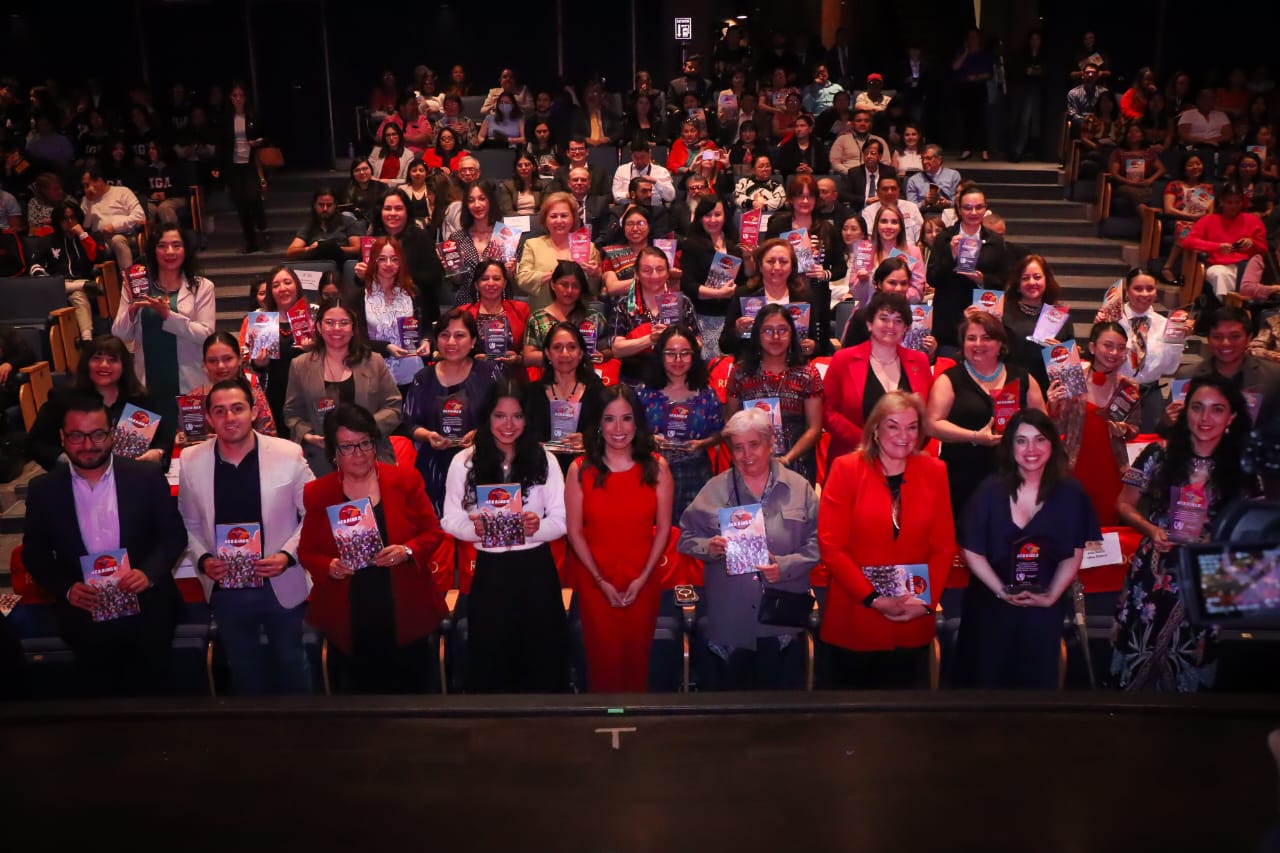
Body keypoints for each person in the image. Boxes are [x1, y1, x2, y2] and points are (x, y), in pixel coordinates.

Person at [21, 393, 187, 697]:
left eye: (97, 434)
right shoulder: (43, 489)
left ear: (112, 434)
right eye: (77, 436)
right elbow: (34, 553)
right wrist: (67, 589)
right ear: (62, 437)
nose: (88, 445)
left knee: (156, 704)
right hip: (84, 619)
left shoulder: (146, 476)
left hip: (149, 613)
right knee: (100, 708)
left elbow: (174, 534)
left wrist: (148, 573)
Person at [1111, 375, 1256, 692]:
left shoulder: (1243, 467)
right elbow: (1123, 504)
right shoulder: (1159, 454)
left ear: (1231, 417)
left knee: (1193, 661)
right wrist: (1151, 529)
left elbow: (1253, 528)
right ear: (1184, 410)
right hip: (1155, 570)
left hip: (1210, 574)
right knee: (1139, 655)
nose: (1205, 418)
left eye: (1217, 409)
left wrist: (1217, 541)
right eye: (1197, 407)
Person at [296, 403, 447, 693]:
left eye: (364, 443)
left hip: (404, 606)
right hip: (349, 612)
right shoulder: (319, 492)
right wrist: (329, 566)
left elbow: (432, 532)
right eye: (347, 447)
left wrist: (407, 550)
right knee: (359, 699)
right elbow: (308, 551)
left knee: (412, 695)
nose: (359, 453)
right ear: (334, 452)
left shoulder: (405, 480)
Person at [177, 378, 312, 695]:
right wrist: (204, 559)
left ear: (253, 412)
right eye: (220, 411)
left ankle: (304, 725)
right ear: (209, 418)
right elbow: (188, 521)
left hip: (280, 584)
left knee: (292, 666)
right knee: (244, 672)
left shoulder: (288, 453)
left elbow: (312, 513)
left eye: (237, 408)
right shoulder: (191, 460)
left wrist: (287, 555)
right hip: (226, 588)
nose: (229, 417)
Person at [818, 391, 956, 688]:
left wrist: (925, 604)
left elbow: (944, 547)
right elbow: (832, 547)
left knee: (904, 714)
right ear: (875, 430)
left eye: (912, 427)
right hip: (855, 617)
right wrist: (874, 599)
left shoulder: (935, 471)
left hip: (912, 618)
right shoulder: (846, 469)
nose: (903, 436)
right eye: (893, 426)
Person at [440, 378, 570, 692]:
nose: (508, 425)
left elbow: (563, 519)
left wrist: (538, 527)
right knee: (491, 660)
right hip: (490, 572)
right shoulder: (464, 461)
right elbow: (450, 519)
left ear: (528, 418)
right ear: (487, 416)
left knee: (542, 658)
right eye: (500, 416)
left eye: (517, 416)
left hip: (536, 570)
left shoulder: (545, 459)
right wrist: (474, 529)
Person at [953, 410, 1099, 688]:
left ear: (1052, 443)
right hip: (992, 606)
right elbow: (971, 550)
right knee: (986, 686)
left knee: (1036, 687)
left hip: (1042, 608)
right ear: (1010, 446)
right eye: (1021, 441)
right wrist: (1001, 591)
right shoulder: (989, 490)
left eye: (1039, 439)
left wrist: (1051, 596)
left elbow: (1074, 553)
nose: (1031, 449)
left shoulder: (1071, 493)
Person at [677, 407, 819, 690]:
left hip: (782, 623)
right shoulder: (714, 489)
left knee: (780, 707)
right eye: (738, 448)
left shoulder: (799, 488)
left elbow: (818, 543)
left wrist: (785, 567)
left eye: (754, 444)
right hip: (730, 622)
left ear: (771, 443)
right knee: (730, 710)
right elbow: (686, 538)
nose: (746, 455)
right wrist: (710, 548)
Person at [565, 385, 674, 693]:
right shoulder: (579, 469)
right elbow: (574, 532)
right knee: (603, 663)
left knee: (637, 661)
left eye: (626, 418)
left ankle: (635, 719)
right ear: (598, 424)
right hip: (595, 581)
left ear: (637, 422)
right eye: (609, 419)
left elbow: (664, 529)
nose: (618, 429)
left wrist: (643, 578)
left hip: (643, 579)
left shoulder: (657, 467)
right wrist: (600, 581)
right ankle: (604, 718)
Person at [926, 311, 1046, 525]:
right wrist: (974, 436)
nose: (978, 344)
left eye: (986, 338)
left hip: (1015, 476)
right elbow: (932, 424)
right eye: (971, 338)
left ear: (1000, 344)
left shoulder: (1023, 377)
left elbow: (1042, 423)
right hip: (964, 477)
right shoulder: (950, 379)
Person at [111, 225, 215, 427]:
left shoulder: (202, 286)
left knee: (190, 442)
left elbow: (206, 335)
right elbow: (120, 335)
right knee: (138, 443)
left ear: (186, 249)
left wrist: (168, 315)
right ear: (153, 250)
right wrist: (132, 308)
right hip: (145, 383)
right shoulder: (136, 285)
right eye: (162, 246)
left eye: (176, 245)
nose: (170, 252)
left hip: (190, 384)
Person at [284, 302, 402, 476]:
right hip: (321, 458)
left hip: (371, 453)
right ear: (319, 326)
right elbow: (292, 413)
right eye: (330, 322)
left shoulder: (374, 361)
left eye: (344, 323)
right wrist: (307, 435)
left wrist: (364, 430)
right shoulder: (300, 365)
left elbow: (394, 407)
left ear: (353, 328)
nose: (337, 328)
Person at [402, 308, 501, 515]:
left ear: (473, 341)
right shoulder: (423, 377)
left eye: (459, 335)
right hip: (434, 467)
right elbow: (411, 423)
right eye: (444, 335)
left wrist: (480, 434)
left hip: (480, 463)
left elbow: (505, 416)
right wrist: (428, 436)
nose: (451, 342)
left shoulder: (489, 374)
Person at [26, 335, 171, 470]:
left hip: (131, 476)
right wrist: (67, 461)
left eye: (112, 360)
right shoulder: (64, 398)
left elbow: (163, 439)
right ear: (86, 364)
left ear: (124, 366)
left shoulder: (140, 399)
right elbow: (35, 443)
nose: (104, 365)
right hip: (76, 478)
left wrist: (158, 452)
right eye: (97, 359)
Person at [1047, 322, 1140, 526]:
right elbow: (1056, 428)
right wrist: (1053, 406)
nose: (1114, 353)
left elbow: (1134, 429)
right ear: (1092, 347)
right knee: (1070, 525)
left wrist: (1124, 430)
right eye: (1108, 345)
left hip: (1111, 469)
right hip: (1073, 466)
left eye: (1121, 347)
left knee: (1106, 527)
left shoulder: (1129, 387)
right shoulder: (1072, 377)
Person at [824, 291, 933, 463]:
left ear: (906, 328)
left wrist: (906, 444)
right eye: (884, 318)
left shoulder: (920, 361)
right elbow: (827, 412)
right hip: (853, 458)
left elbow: (927, 415)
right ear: (870, 323)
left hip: (905, 460)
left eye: (898, 321)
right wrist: (869, 442)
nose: (891, 325)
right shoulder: (843, 359)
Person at [725, 304, 825, 484]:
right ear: (757, 335)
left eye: (782, 330)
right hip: (749, 465)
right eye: (768, 331)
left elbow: (814, 429)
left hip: (796, 465)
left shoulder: (808, 374)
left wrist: (786, 459)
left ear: (792, 334)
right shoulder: (740, 373)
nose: (776, 337)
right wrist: (748, 456)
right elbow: (729, 423)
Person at [637, 326, 723, 518]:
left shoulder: (706, 394)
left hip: (696, 476)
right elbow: (630, 432)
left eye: (685, 353)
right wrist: (648, 439)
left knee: (693, 531)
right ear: (660, 355)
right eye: (670, 353)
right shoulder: (644, 393)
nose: (678, 360)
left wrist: (702, 444)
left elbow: (719, 432)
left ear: (694, 356)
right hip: (653, 474)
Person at [1094, 269, 1190, 432]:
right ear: (1127, 291)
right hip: (1114, 392)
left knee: (1149, 441)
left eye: (1150, 288)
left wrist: (1178, 340)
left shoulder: (1165, 324)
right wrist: (1099, 329)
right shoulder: (1111, 318)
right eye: (1138, 288)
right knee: (1111, 438)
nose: (1145, 294)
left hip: (1150, 394)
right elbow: (1098, 361)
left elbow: (1170, 369)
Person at [926, 185, 1011, 355]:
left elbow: (1004, 280)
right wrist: (951, 255)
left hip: (983, 318)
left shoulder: (994, 241)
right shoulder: (944, 238)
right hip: (949, 321)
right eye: (968, 208)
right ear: (959, 208)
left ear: (985, 209)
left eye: (979, 207)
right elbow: (932, 278)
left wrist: (983, 280)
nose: (973, 212)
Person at [719, 237, 830, 360]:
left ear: (792, 267)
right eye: (770, 261)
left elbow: (820, 346)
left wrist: (812, 347)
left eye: (783, 262)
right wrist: (737, 332)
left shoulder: (804, 297)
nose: (777, 267)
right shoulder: (744, 294)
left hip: (792, 365)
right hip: (752, 366)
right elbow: (724, 345)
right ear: (760, 266)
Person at [1173, 306, 1280, 428]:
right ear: (1208, 339)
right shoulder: (1187, 376)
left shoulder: (1273, 377)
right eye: (1217, 337)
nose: (1226, 343)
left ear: (1249, 338)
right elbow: (1174, 429)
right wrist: (1168, 422)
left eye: (1235, 337)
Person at [526, 321, 606, 475]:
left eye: (572, 347)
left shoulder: (596, 389)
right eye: (557, 347)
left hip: (586, 470)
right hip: (542, 471)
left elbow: (608, 431)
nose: (565, 354)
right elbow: (523, 436)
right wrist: (536, 446)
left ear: (581, 353)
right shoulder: (533, 392)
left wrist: (588, 440)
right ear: (547, 353)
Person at [359, 188, 445, 323]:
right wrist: (360, 275)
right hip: (379, 311)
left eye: (398, 208)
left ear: (407, 211)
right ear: (380, 211)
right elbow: (365, 280)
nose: (392, 213)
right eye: (387, 208)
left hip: (417, 309)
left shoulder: (420, 237)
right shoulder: (372, 239)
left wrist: (399, 276)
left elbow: (434, 276)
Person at [244, 265, 310, 433]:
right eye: (276, 285)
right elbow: (251, 368)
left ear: (297, 285)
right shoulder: (262, 318)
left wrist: (315, 349)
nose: (282, 288)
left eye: (287, 282)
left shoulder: (313, 314)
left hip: (308, 392)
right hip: (274, 393)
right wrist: (259, 363)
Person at [356, 236, 427, 393]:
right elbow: (356, 339)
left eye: (394, 259)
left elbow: (426, 328)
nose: (389, 264)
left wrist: (427, 341)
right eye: (382, 259)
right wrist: (386, 347)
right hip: (374, 371)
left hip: (411, 369)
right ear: (373, 261)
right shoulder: (360, 296)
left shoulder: (413, 292)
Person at [27, 200, 102, 345]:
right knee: (76, 290)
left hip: (80, 280)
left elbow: (98, 258)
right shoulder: (47, 241)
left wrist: (83, 235)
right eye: (65, 219)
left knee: (78, 295)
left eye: (73, 217)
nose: (69, 222)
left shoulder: (86, 238)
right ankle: (87, 337)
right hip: (56, 283)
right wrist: (45, 279)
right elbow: (34, 265)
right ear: (58, 221)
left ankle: (87, 340)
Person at [679, 196, 747, 358]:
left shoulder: (734, 245)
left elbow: (745, 279)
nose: (713, 220)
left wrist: (749, 258)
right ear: (700, 217)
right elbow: (687, 285)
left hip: (731, 316)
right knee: (709, 362)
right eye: (707, 215)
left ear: (725, 216)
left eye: (717, 214)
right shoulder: (691, 245)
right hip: (703, 316)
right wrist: (718, 293)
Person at [517, 192, 603, 311]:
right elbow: (522, 279)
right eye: (553, 216)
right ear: (545, 220)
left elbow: (594, 290)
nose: (559, 221)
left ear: (573, 218)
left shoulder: (587, 247)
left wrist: (595, 275)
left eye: (564, 216)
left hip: (578, 315)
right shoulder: (532, 245)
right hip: (542, 313)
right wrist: (554, 276)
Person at [183, 332, 277, 439]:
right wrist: (182, 438)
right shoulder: (194, 399)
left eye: (227, 359)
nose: (220, 366)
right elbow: (188, 436)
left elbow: (269, 438)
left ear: (240, 359)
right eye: (212, 361)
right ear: (204, 364)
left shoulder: (254, 396)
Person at [1181, 183, 1267, 296]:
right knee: (1218, 274)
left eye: (1237, 202)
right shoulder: (1208, 220)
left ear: (1242, 202)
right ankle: (1228, 303)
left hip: (1246, 268)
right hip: (1218, 266)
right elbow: (1188, 242)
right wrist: (1217, 247)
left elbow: (1264, 249)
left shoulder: (1254, 221)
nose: (1233, 206)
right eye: (1229, 202)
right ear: (1222, 201)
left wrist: (1252, 243)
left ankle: (1233, 302)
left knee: (1236, 278)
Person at [522, 260, 613, 368]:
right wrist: (561, 356)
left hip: (586, 374)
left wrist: (602, 355)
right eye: (564, 285)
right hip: (549, 376)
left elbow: (608, 351)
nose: (569, 290)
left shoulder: (593, 317)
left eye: (575, 286)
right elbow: (528, 358)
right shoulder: (538, 318)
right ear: (553, 285)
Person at [213, 83, 269, 254]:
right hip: (233, 165)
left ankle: (262, 227)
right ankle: (251, 242)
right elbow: (220, 145)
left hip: (251, 163)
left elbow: (267, 136)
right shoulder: (225, 119)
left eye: (241, 95)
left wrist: (259, 141)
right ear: (230, 98)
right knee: (241, 204)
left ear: (245, 97)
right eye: (234, 95)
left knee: (254, 197)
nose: (238, 99)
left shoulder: (253, 116)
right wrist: (217, 166)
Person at [464, 259, 531, 374]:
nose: (491, 283)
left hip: (513, 376)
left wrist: (518, 359)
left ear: (504, 283)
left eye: (496, 278)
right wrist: (471, 359)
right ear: (476, 285)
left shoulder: (521, 309)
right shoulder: (464, 312)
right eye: (484, 279)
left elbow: (530, 350)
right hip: (472, 375)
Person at [1157, 153, 1215, 283]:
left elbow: (1210, 213)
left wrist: (1201, 220)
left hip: (1200, 222)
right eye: (1190, 165)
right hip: (1177, 219)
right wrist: (1191, 216)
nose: (1195, 167)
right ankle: (1169, 268)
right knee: (1187, 232)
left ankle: (1190, 274)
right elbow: (1168, 209)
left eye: (1198, 164)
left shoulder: (1206, 188)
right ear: (1184, 168)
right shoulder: (1174, 185)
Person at [80, 168, 145, 272]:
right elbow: (86, 225)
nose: (86, 189)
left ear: (98, 181)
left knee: (117, 240)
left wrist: (114, 226)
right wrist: (89, 203)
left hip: (126, 234)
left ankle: (127, 278)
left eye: (88, 185)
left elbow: (140, 217)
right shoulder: (86, 201)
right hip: (101, 238)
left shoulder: (122, 191)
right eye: (84, 186)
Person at [286, 187, 362, 265]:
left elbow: (357, 249)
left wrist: (334, 248)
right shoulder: (310, 225)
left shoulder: (348, 221)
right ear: (314, 205)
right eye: (321, 205)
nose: (325, 209)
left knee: (328, 247)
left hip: (341, 263)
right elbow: (291, 251)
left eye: (329, 205)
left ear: (335, 205)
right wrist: (309, 249)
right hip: (316, 264)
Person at [1107, 121, 1166, 209]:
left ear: (1142, 136)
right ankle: (1145, 209)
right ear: (1126, 136)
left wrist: (1150, 180)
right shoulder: (1119, 152)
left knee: (1158, 189)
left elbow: (1162, 169)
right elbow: (1114, 174)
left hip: (1144, 184)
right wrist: (1129, 182)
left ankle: (1145, 209)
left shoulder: (1149, 152)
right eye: (1130, 132)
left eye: (1136, 131)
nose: (1133, 134)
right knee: (1131, 192)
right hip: (1125, 185)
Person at [611, 136, 676, 204]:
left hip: (653, 207)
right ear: (631, 154)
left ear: (649, 154)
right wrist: (633, 195)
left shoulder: (661, 171)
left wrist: (656, 182)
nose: (639, 161)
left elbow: (671, 197)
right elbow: (616, 196)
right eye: (635, 157)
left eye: (643, 157)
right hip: (629, 207)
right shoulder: (621, 170)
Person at [905, 145, 962, 216]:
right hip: (924, 215)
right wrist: (925, 202)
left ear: (939, 159)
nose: (924, 162)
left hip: (948, 214)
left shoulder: (953, 175)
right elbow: (910, 208)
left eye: (928, 158)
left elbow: (959, 202)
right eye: (922, 158)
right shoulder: (913, 180)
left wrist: (947, 203)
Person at [829, 109, 889, 175]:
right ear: (852, 124)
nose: (862, 124)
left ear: (871, 124)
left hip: (873, 176)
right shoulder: (842, 139)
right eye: (858, 121)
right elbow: (834, 162)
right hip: (847, 175)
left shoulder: (879, 140)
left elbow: (886, 162)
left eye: (866, 121)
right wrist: (850, 173)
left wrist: (871, 173)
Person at [340, 158, 387, 227]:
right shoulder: (347, 188)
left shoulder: (381, 186)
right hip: (355, 222)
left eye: (365, 169)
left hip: (378, 220)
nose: (362, 172)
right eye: (357, 170)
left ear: (371, 170)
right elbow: (346, 207)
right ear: (353, 173)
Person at [496, 152, 543, 216]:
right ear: (516, 169)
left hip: (537, 219)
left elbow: (546, 209)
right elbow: (507, 211)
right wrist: (523, 219)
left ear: (534, 167)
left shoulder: (544, 185)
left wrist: (532, 219)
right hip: (516, 220)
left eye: (527, 165)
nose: (523, 168)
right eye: (519, 166)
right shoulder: (507, 186)